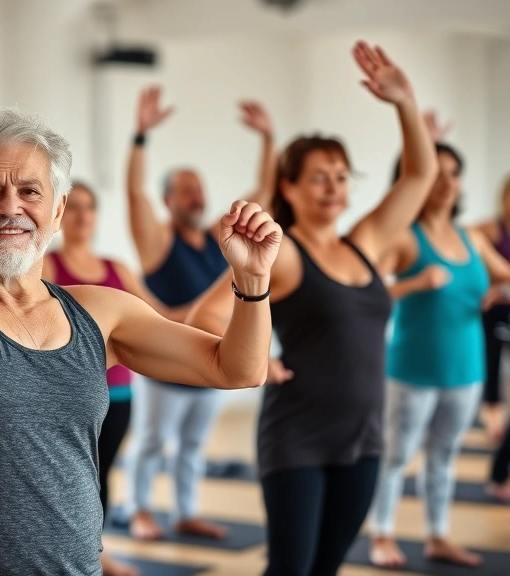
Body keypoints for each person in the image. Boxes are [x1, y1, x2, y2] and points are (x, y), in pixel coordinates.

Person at [0, 2, 279, 575]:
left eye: (30, 191)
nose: (11, 206)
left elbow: (238, 368)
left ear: (58, 210)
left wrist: (252, 282)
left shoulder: (100, 312)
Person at [186, 42, 437, 576]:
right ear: (290, 186)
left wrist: (405, 103)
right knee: (290, 570)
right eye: (319, 176)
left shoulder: (364, 243)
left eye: (342, 176)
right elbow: (204, 317)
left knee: (326, 569)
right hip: (297, 436)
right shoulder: (284, 252)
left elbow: (419, 177)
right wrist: (261, 362)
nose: (333, 187)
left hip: (364, 438)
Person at [125, 90, 277, 540]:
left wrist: (269, 139)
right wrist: (140, 136)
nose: (198, 197)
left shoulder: (217, 238)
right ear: (168, 200)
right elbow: (134, 195)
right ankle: (138, 510)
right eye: (187, 191)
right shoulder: (157, 243)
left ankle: (186, 511)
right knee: (152, 443)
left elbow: (265, 192)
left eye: (199, 189)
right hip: (163, 364)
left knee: (193, 445)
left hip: (211, 358)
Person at [367, 140, 510, 569]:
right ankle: (381, 535)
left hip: (466, 370)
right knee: (396, 457)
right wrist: (415, 283)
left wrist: (499, 290)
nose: (447, 183)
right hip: (413, 370)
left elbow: (506, 277)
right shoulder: (404, 238)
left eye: (454, 173)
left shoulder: (472, 239)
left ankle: (438, 537)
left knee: (444, 457)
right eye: (436, 173)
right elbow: (366, 295)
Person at [40, 181, 179, 576]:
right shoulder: (47, 266)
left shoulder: (117, 268)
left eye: (90, 207)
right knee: (65, 482)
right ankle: (59, 553)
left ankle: (95, 554)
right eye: (75, 207)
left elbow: (159, 316)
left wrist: (225, 312)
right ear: (59, 214)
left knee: (99, 478)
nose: (83, 215)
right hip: (67, 397)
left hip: (117, 393)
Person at [475, 174, 510, 439]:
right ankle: (493, 421)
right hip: (494, 309)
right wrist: (491, 288)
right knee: (492, 365)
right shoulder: (489, 230)